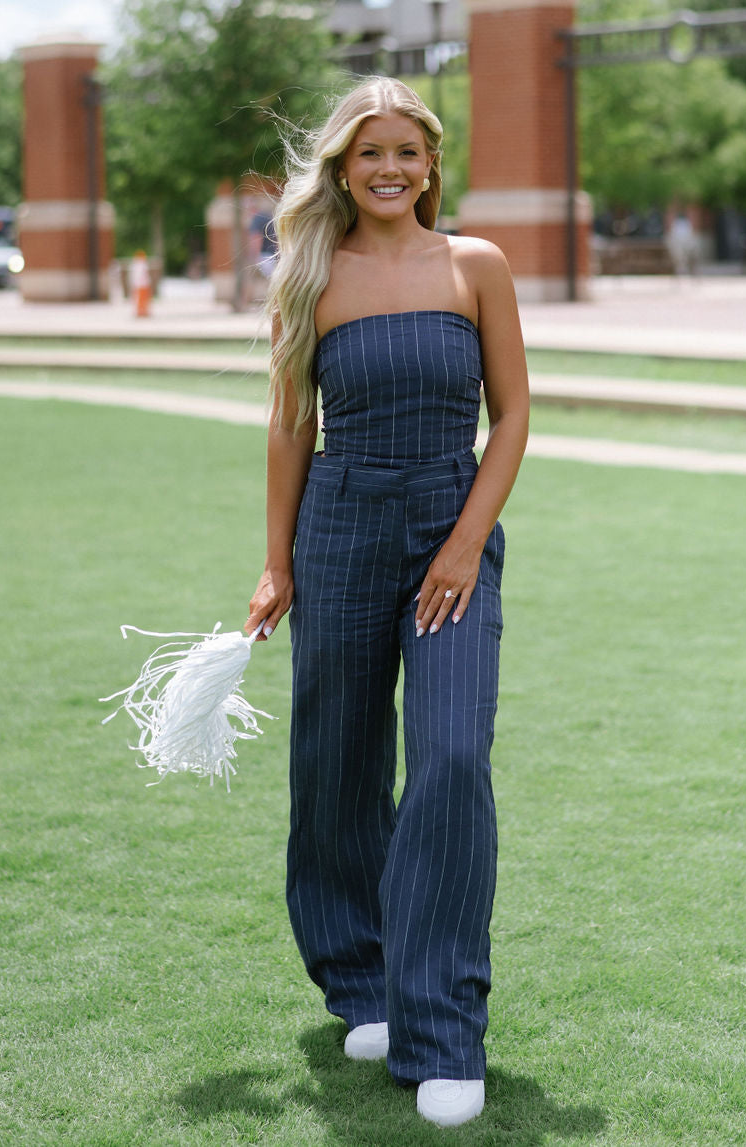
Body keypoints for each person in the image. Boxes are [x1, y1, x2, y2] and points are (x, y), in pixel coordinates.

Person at [245, 78, 529, 1128]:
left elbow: (512, 416)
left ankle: (441, 1026)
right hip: (341, 526)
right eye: (369, 153)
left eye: (406, 150)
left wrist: (462, 544)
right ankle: (358, 979)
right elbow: (289, 428)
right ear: (339, 167)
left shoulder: (475, 267)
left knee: (451, 759)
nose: (389, 168)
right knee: (338, 757)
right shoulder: (308, 277)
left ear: (431, 160)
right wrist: (275, 564)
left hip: (448, 531)